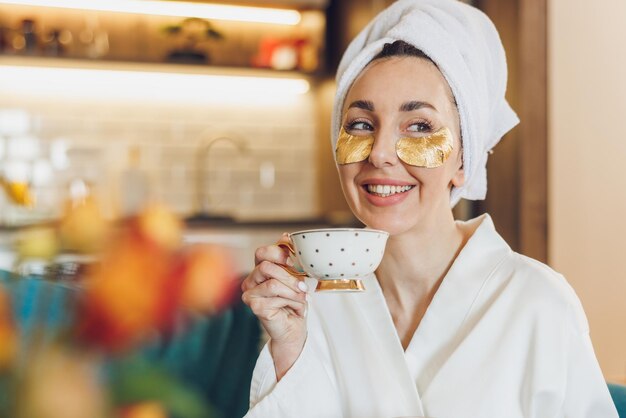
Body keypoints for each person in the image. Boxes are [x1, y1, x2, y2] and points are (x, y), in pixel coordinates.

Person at [241, 0, 619, 417]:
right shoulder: (311, 303)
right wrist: (289, 347)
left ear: (463, 159)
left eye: (419, 126)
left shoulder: (539, 304)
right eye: (361, 125)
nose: (380, 153)